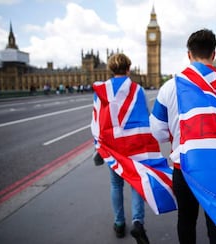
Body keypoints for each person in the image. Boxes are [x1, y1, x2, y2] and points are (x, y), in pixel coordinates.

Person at [149, 28, 216, 244]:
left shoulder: (169, 87)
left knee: (186, 220)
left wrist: (176, 133)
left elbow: (157, 131)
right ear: (214, 54)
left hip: (184, 167)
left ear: (189, 55)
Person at [91, 53, 149, 244]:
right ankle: (138, 222)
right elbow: (144, 118)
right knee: (136, 183)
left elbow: (97, 121)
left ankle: (119, 224)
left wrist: (97, 147)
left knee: (116, 184)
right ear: (128, 69)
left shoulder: (101, 90)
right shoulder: (137, 89)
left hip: (112, 147)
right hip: (133, 146)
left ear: (111, 69)